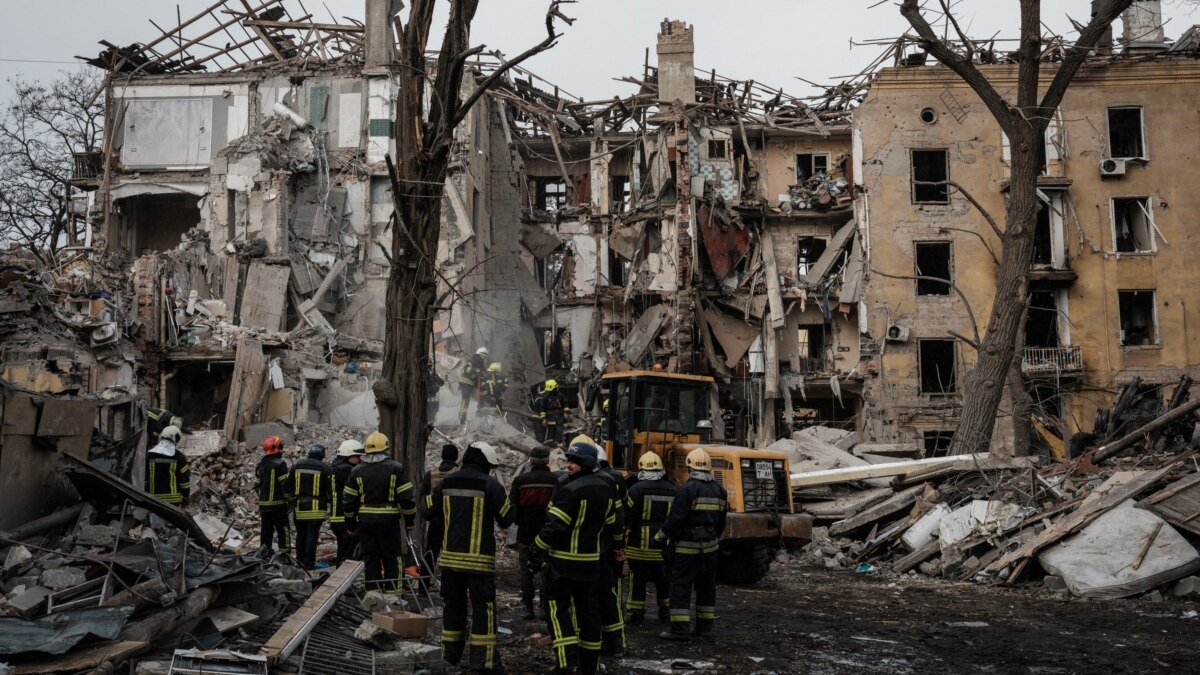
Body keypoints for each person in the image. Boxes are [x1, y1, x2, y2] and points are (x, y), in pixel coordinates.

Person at [527, 436, 620, 675]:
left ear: (587, 463)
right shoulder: (606, 487)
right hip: (590, 565)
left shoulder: (570, 490)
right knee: (589, 614)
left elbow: (554, 527)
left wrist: (535, 552)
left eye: (574, 462)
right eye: (569, 460)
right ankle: (589, 665)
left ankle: (567, 662)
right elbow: (612, 522)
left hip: (563, 565)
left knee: (557, 610)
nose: (568, 465)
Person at [424, 442, 514, 674]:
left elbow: (426, 510)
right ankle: (483, 663)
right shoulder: (491, 485)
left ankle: (449, 657)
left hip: (451, 561)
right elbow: (506, 518)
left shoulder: (447, 482)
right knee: (483, 610)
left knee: (453, 607)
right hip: (479, 563)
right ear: (484, 463)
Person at [654, 448, 728, 640]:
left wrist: (660, 537)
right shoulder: (720, 490)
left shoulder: (686, 489)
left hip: (687, 549)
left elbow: (675, 519)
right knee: (706, 588)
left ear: (689, 466)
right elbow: (721, 522)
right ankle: (705, 628)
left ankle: (680, 629)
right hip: (710, 549)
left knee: (680, 587)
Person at [343, 432, 417, 595]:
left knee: (370, 557)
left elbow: (349, 501)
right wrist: (410, 521)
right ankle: (394, 593)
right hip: (389, 521)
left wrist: (350, 524)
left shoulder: (356, 471)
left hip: (366, 522)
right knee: (393, 557)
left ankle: (374, 595)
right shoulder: (396, 468)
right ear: (386, 449)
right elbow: (407, 499)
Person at [508, 445, 558, 620]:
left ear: (530, 461)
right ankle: (545, 608)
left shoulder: (521, 481)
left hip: (526, 534)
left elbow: (512, 508)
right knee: (547, 571)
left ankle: (527, 607)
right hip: (548, 535)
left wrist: (520, 520)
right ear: (548, 461)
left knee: (526, 572)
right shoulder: (557, 480)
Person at [625, 452, 675, 625]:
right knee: (664, 581)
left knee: (637, 581)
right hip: (663, 546)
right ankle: (666, 612)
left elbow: (627, 516)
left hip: (639, 545)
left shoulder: (636, 489)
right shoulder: (672, 489)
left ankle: (636, 613)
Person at [596, 445, 628, 657]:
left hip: (588, 553)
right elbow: (619, 517)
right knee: (610, 597)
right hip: (607, 549)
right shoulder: (615, 479)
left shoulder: (569, 484)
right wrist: (619, 546)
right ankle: (616, 644)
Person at [292, 443, 333, 569]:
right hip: (316, 510)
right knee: (312, 537)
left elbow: (287, 487)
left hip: (299, 508)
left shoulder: (296, 466)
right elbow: (331, 491)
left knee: (300, 535)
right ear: (321, 455)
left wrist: (292, 500)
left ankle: (299, 561)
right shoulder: (325, 468)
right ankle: (309, 564)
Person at [421, 444, 460, 566]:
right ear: (456, 457)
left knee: (431, 552)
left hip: (435, 520)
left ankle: (424, 581)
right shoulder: (460, 474)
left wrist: (428, 515)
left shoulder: (430, 474)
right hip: (454, 521)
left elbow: (423, 498)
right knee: (453, 554)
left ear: (442, 456)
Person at [254, 435, 292, 558]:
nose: (281, 450)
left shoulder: (260, 465)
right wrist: (289, 499)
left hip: (264, 506)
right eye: (280, 447)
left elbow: (256, 485)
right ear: (275, 448)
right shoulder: (280, 464)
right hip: (278, 505)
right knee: (283, 530)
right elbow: (285, 485)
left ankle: (264, 555)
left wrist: (262, 499)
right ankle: (285, 556)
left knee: (266, 531)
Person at [329, 439, 364, 564]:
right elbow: (353, 495)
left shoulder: (333, 468)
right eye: (357, 456)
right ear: (348, 455)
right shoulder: (346, 470)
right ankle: (344, 581)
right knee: (348, 555)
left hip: (336, 517)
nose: (360, 460)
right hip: (345, 518)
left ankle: (341, 577)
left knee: (343, 550)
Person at [146, 425, 190, 506]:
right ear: (176, 439)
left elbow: (144, 477)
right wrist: (186, 496)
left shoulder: (150, 455)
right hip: (174, 500)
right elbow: (184, 480)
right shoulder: (178, 456)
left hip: (153, 499)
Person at [457, 347, 489, 424]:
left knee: (467, 400)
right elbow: (466, 369)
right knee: (465, 400)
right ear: (479, 355)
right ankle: (462, 418)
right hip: (465, 382)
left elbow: (480, 378)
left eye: (485, 358)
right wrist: (476, 371)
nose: (483, 359)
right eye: (483, 357)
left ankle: (464, 417)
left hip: (470, 384)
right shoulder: (472, 361)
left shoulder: (480, 365)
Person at [534, 379, 570, 444]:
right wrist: (544, 419)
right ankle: (551, 446)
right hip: (550, 418)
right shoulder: (545, 397)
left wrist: (565, 412)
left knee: (559, 432)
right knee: (550, 434)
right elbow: (542, 409)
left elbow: (566, 403)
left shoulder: (560, 395)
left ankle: (558, 445)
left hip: (559, 417)